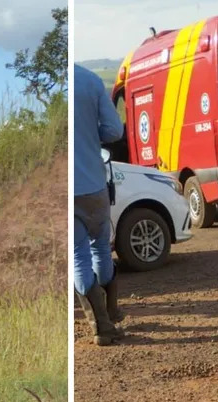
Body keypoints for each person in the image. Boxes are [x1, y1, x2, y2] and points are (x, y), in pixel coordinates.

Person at [74, 63, 124, 346]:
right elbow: (114, 131)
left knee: (78, 254)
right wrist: (91, 134)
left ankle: (100, 326)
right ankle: (111, 314)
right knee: (100, 247)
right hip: (93, 183)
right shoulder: (90, 81)